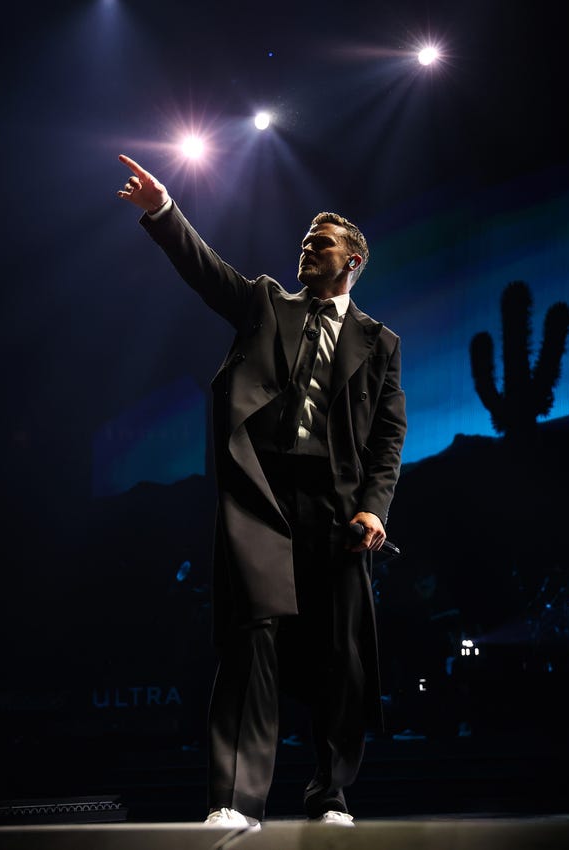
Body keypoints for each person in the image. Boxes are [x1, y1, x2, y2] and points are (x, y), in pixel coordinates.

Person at [116, 154, 407, 830]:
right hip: (263, 496)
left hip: (337, 510)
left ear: (352, 260)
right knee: (253, 642)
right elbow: (207, 271)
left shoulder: (379, 343)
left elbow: (388, 438)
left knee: (341, 656)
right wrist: (163, 211)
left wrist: (374, 506)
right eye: (305, 241)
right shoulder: (268, 303)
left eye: (322, 243)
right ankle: (235, 801)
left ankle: (330, 794)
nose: (308, 249)